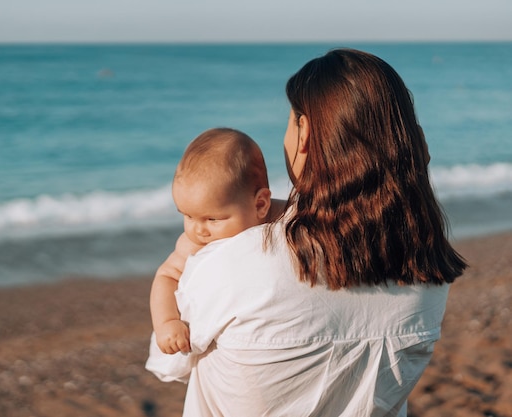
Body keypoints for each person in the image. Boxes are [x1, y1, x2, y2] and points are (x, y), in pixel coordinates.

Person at [146, 48, 467, 416]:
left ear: (304, 134)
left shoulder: (234, 263)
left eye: (289, 121)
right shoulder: (427, 269)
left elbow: (169, 362)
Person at [149, 127, 275, 357]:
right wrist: (166, 322)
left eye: (212, 219)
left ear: (260, 205)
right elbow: (166, 276)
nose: (198, 230)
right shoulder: (192, 244)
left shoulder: (280, 216)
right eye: (187, 216)